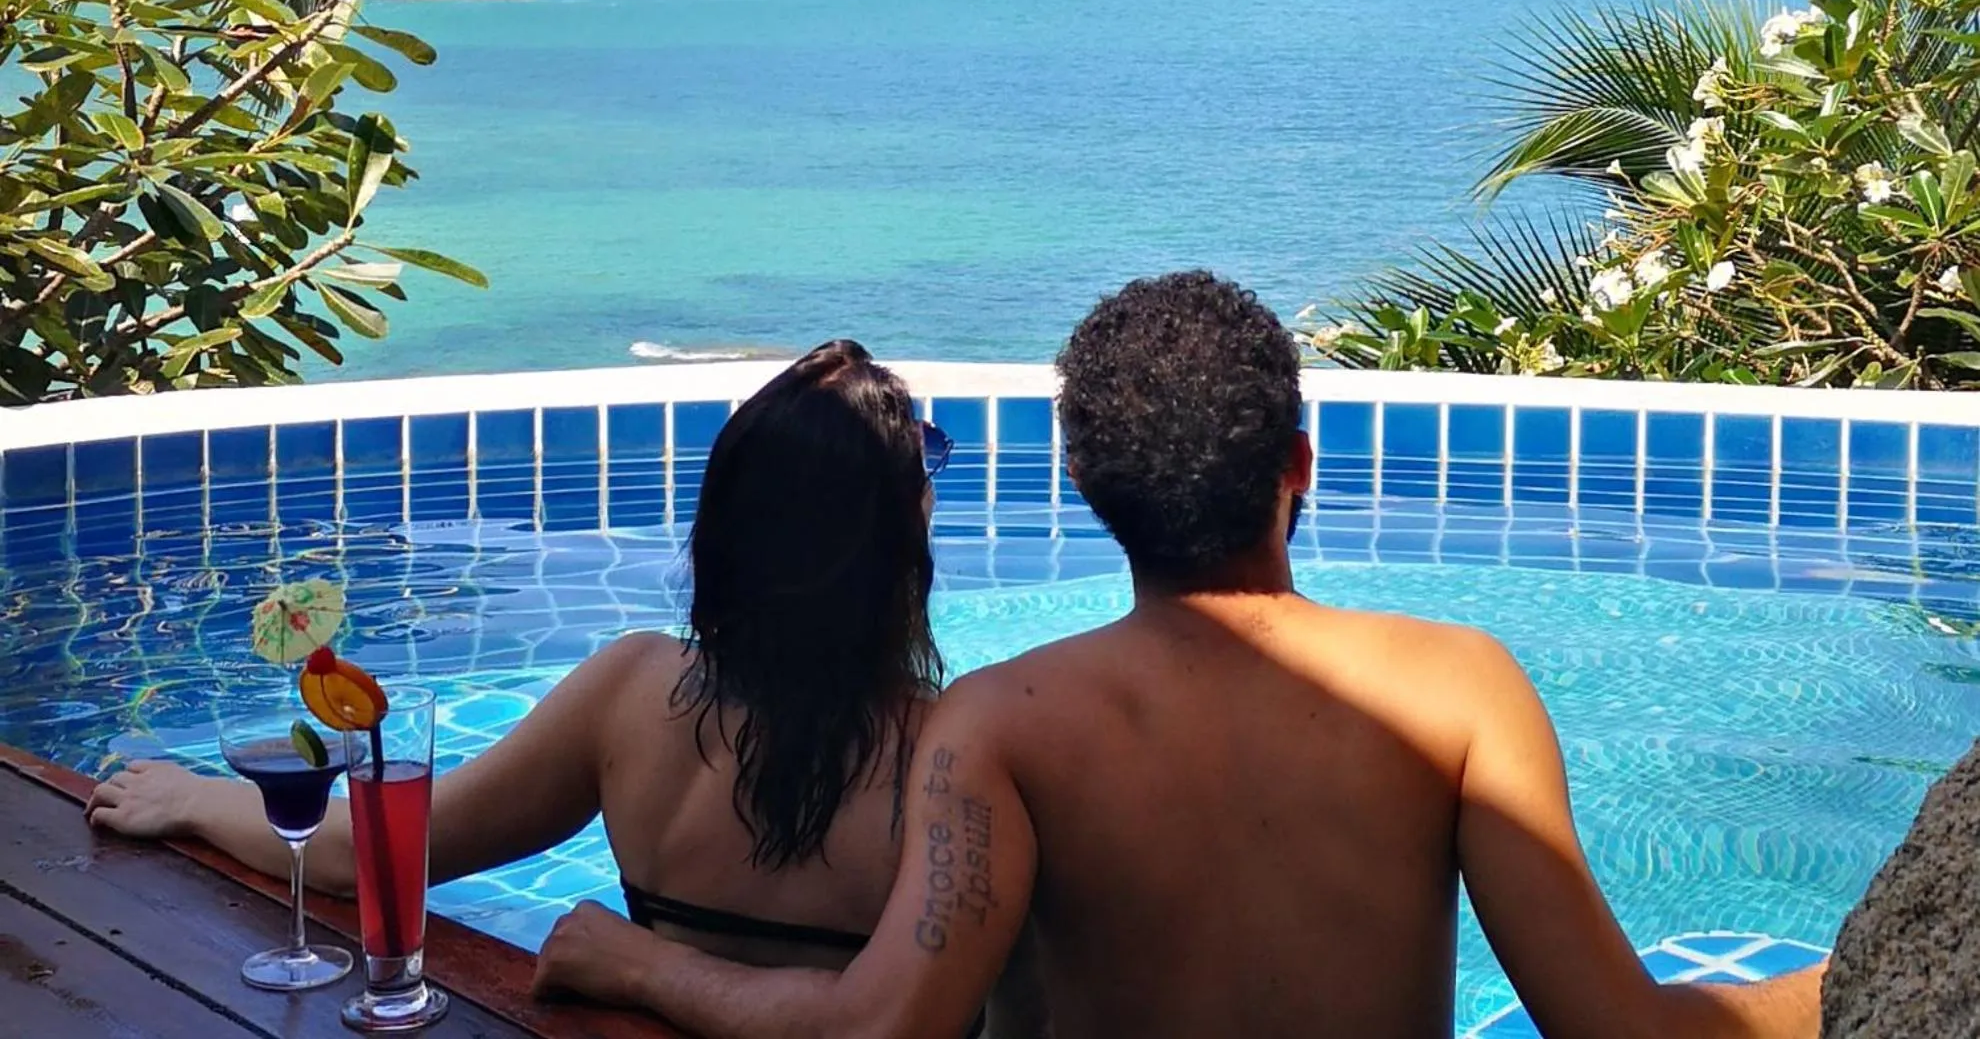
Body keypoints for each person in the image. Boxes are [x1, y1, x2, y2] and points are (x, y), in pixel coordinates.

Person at [525, 271, 1825, 1039]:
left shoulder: (999, 730)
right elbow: (1628, 1034)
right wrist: (1867, 969)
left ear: (1087, 492)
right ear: (1298, 473)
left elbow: (883, 1027)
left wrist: (643, 963)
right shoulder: (1459, 691)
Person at [87, 340, 970, 999]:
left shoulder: (636, 696)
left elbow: (379, 856)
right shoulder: (956, 751)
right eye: (923, 465)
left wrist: (196, 796)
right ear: (896, 539)